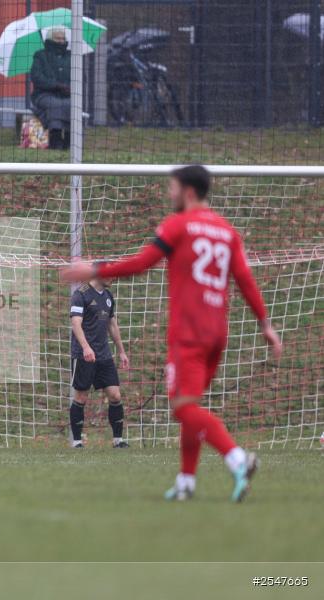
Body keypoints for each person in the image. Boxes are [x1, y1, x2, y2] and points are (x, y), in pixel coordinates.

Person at [62, 165, 282, 502]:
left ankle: (237, 459)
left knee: (182, 408)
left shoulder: (178, 225)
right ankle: (186, 482)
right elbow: (245, 279)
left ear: (188, 192)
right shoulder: (226, 231)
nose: (169, 193)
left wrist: (95, 269)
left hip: (189, 332)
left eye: (173, 187)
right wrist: (265, 323)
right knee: (190, 403)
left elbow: (142, 263)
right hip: (217, 333)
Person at [69, 277, 130, 448]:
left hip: (104, 355)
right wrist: (86, 348)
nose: (115, 276)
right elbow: (76, 323)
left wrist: (122, 351)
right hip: (84, 355)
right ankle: (77, 442)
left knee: (115, 395)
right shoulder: (80, 295)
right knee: (81, 396)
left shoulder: (108, 296)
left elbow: (112, 325)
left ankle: (118, 441)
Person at [30, 27, 71, 150]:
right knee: (55, 104)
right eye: (57, 38)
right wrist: (55, 85)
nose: (61, 41)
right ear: (49, 39)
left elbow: (79, 76)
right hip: (44, 94)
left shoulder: (71, 56)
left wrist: (69, 87)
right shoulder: (40, 56)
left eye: (63, 38)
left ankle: (70, 140)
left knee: (72, 104)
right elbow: (36, 77)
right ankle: (56, 139)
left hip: (67, 94)